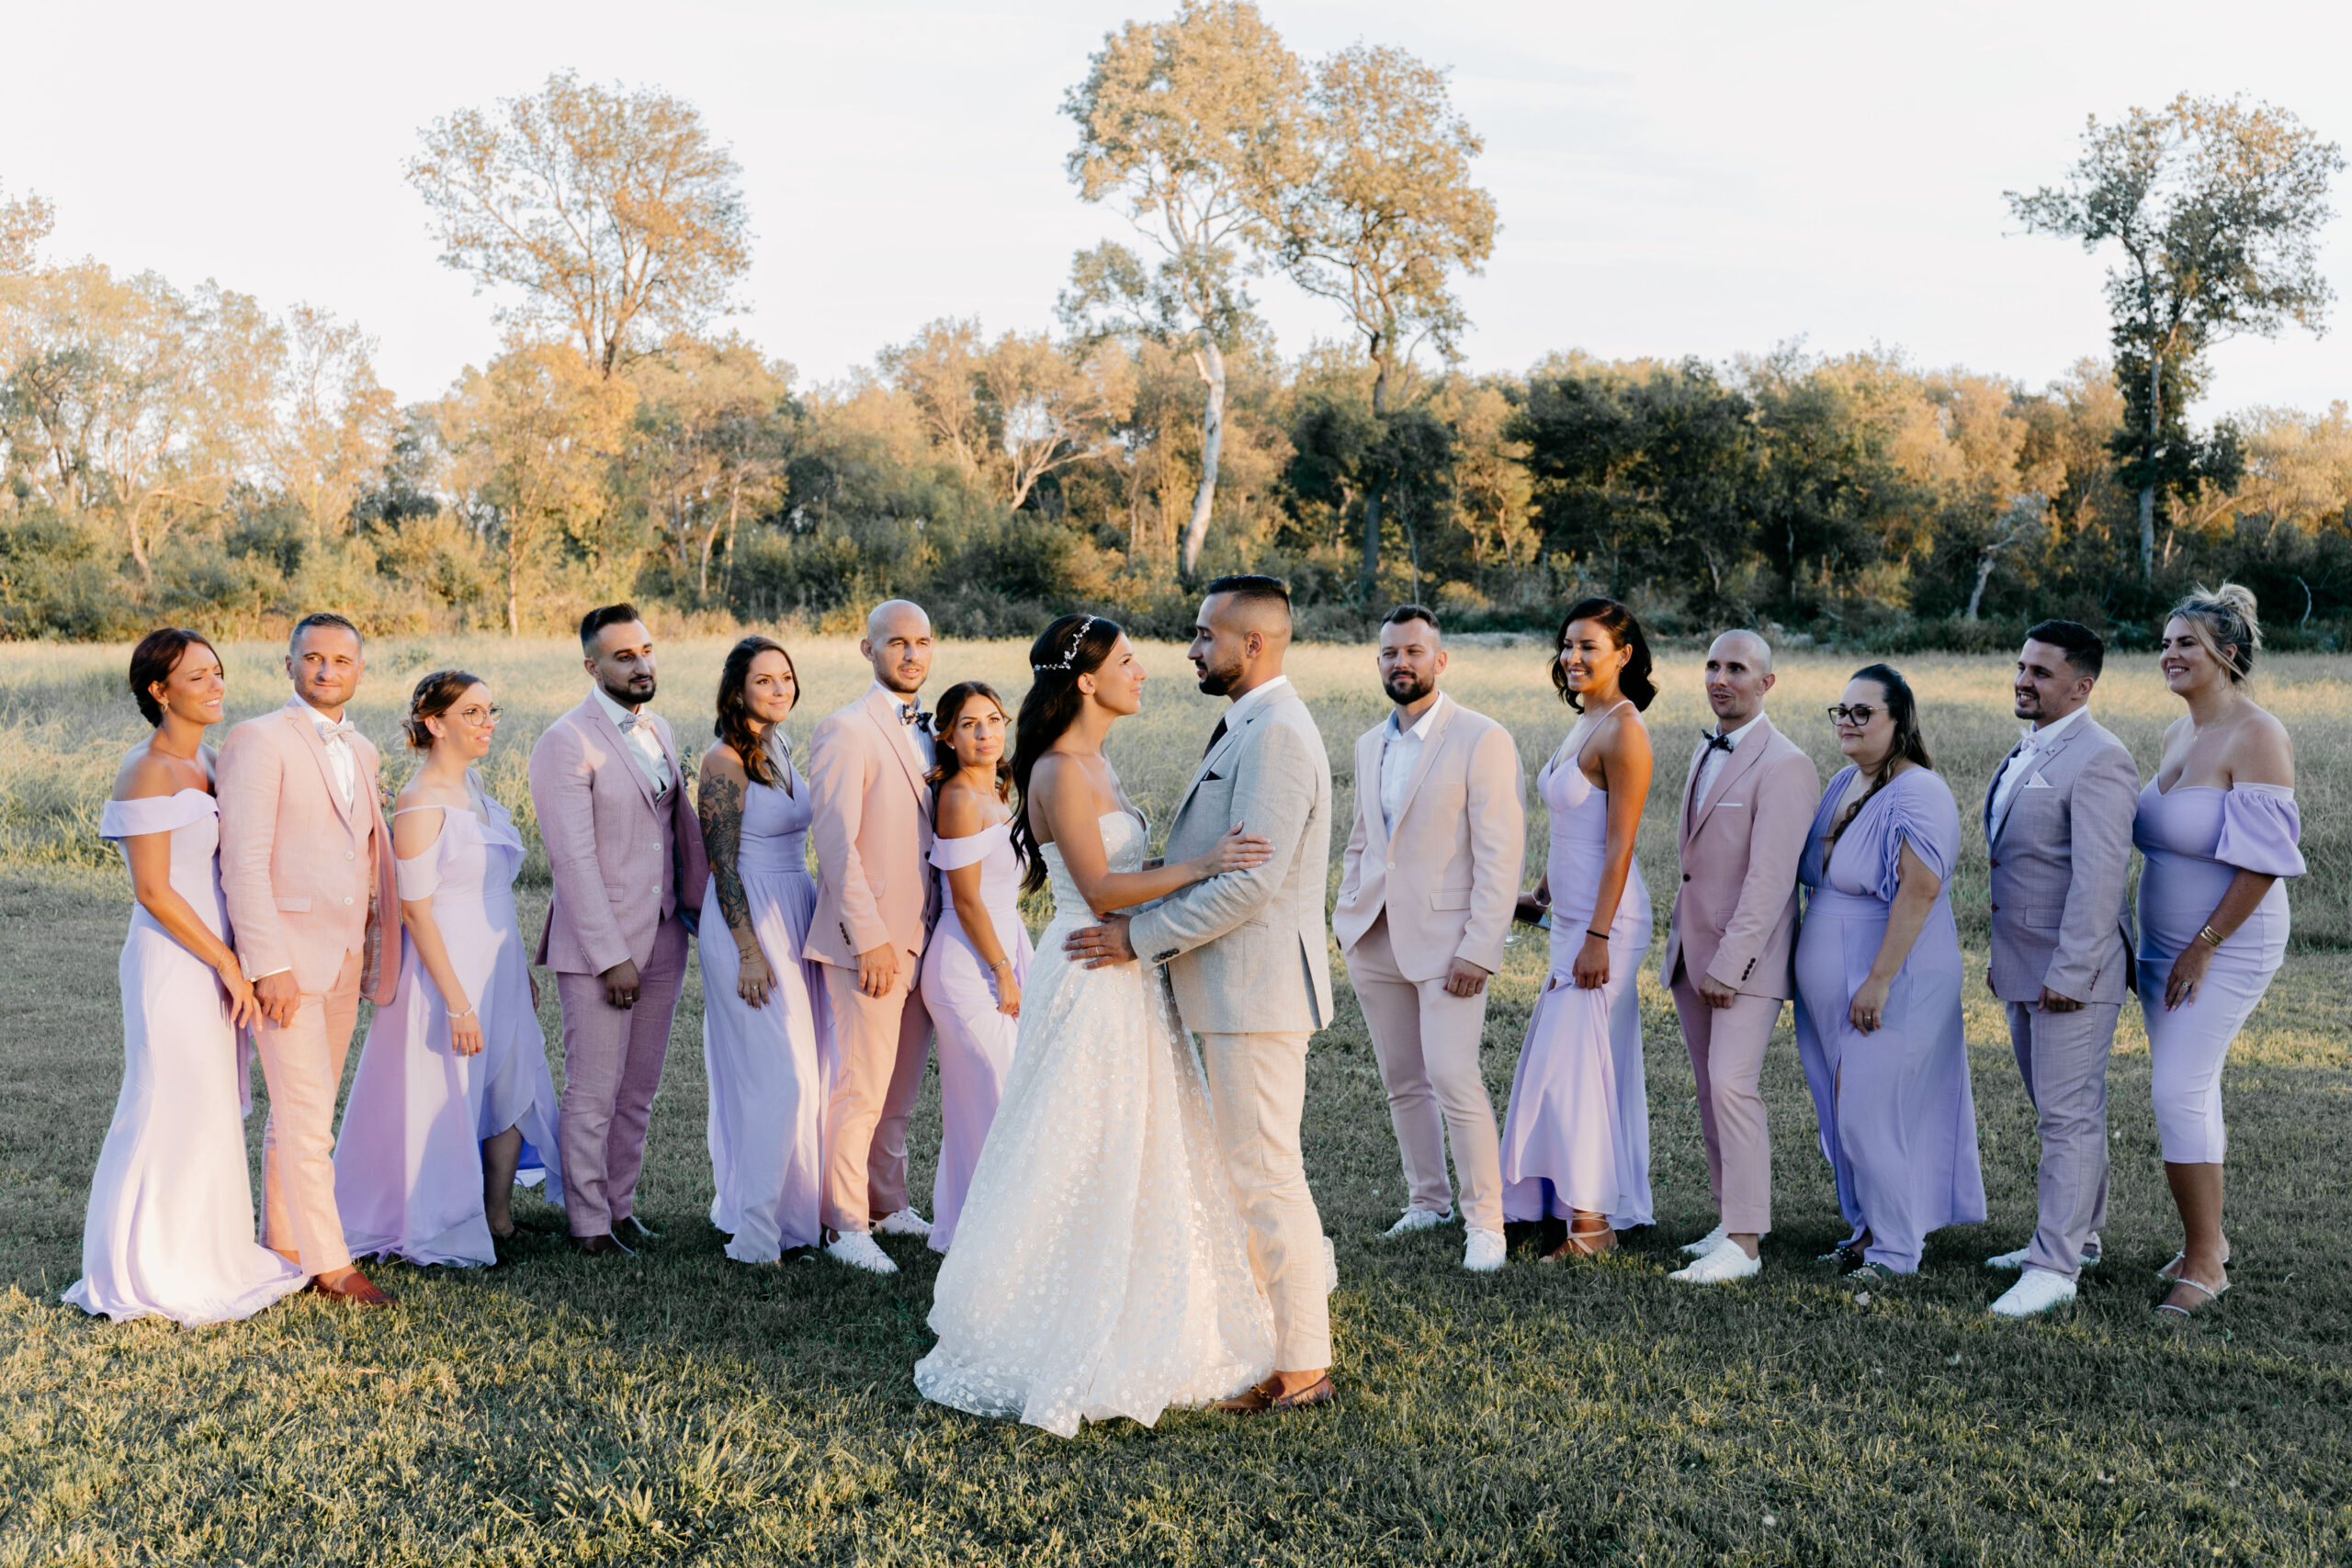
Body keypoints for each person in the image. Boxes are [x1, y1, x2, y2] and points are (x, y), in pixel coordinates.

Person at [918, 615, 1277, 1436]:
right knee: (1082, 1139)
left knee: (1145, 1138)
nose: (1143, 670)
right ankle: (1061, 1315)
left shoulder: (1097, 761)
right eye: (1126, 661)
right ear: (1086, 680)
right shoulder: (1060, 768)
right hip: (1089, 972)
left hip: (1128, 972)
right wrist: (1205, 866)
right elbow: (1103, 887)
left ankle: (1159, 1299)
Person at [1065, 579, 1341, 1415]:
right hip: (1230, 992)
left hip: (1254, 993)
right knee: (1250, 1173)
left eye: (1201, 635)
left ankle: (1303, 1368)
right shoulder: (1252, 722)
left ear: (1251, 643)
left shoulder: (1280, 736)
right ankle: (1273, 1343)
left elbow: (1250, 884)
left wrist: (1135, 937)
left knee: (1265, 1177)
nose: (1188, 651)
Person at [65, 629, 308, 1325]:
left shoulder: (208, 758)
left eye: (217, 672)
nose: (215, 685)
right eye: (197, 676)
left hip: (218, 955)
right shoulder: (145, 769)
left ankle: (212, 1253)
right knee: (167, 1095)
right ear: (159, 690)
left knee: (210, 1103)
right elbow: (153, 890)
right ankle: (146, 1264)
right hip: (175, 959)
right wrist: (228, 962)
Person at [334, 671, 565, 1267]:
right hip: (445, 973)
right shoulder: (418, 803)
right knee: (449, 1089)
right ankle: (440, 1219)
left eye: (491, 710)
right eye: (473, 713)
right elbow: (415, 909)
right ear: (435, 723)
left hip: (498, 961)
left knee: (513, 1078)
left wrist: (518, 972)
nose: (488, 723)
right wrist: (458, 1002)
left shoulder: (477, 788)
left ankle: (498, 1214)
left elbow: (495, 891)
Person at [1332, 604, 1525, 1273]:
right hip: (1374, 934)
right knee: (1402, 1079)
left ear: (1439, 661)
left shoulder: (1481, 737)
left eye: (1413, 651)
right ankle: (1428, 1201)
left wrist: (1480, 945)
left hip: (1450, 943)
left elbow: (1501, 854)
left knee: (1453, 1076)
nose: (1400, 663)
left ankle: (1486, 1222)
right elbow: (1364, 838)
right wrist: (1345, 912)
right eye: (1389, 653)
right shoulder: (1368, 743)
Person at [217, 611, 401, 1306]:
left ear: (359, 670)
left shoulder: (363, 750)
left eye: (341, 660)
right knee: (305, 1114)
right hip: (287, 959)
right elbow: (244, 860)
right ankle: (331, 1263)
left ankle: (285, 1243)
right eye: (313, 658)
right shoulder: (258, 740)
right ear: (289, 663)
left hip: (344, 957)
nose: (327, 670)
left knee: (306, 1106)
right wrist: (268, 962)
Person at [2135, 585, 2301, 1320]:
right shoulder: (2178, 734)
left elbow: (2263, 862)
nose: (2170, 655)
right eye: (2167, 642)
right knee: (2191, 1086)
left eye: (2187, 644)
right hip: (2163, 946)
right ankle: (2210, 1242)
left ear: (2228, 655)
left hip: (2225, 942)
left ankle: (2205, 1260)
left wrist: (2203, 946)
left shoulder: (2257, 733)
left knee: (2176, 1088)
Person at [1792, 664, 1985, 1283]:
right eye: (1840, 711)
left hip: (1890, 974)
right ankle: (1865, 1229)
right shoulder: (1846, 781)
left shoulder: (1918, 790)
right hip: (1832, 979)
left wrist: (1876, 979)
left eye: (1863, 712)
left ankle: (1897, 1252)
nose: (1847, 722)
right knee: (1840, 1109)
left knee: (1868, 1113)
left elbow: (1919, 889)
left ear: (1898, 722)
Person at [529, 604, 708, 1258]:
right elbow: (572, 861)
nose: (641, 664)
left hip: (664, 934)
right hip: (600, 946)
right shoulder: (565, 741)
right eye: (623, 656)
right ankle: (588, 1224)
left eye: (646, 650)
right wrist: (611, 957)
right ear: (592, 665)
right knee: (594, 1090)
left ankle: (621, 1205)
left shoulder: (655, 726)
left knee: (639, 1088)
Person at [1978, 622, 2139, 1319]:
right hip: (2023, 964)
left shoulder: (2101, 758)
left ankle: (2055, 1266)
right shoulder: (2031, 748)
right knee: (2060, 1113)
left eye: (2042, 672)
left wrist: (2072, 974)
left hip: (2073, 975)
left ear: (2083, 685)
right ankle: (2082, 1237)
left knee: (2067, 1119)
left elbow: (2100, 881)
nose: (2024, 680)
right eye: (2022, 666)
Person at [1498, 598, 1658, 1258]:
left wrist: (1595, 936)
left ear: (1623, 654)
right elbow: (1575, 830)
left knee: (1578, 1068)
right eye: (1567, 645)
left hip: (1608, 923)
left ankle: (1592, 1227)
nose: (1572, 657)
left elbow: (1618, 847)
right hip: (1570, 914)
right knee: (1572, 1063)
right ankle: (1566, 1203)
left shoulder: (1625, 731)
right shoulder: (1585, 720)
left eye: (1588, 646)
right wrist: (1539, 892)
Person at [1660, 630, 1820, 1286]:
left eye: (1737, 668)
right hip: (1690, 952)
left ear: (1767, 682)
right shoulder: (1706, 749)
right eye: (1712, 665)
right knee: (1708, 1089)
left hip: (1744, 961)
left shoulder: (1786, 764)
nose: (1720, 678)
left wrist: (1731, 962)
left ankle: (1747, 1244)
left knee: (1733, 1085)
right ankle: (1728, 1218)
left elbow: (1770, 879)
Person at [808, 600, 942, 1273]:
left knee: (900, 1090)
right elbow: (836, 845)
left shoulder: (935, 729)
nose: (912, 655)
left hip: (928, 937)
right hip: (870, 943)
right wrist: (870, 939)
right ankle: (844, 1223)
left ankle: (890, 1204)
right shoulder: (846, 730)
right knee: (860, 1086)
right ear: (868, 649)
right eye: (897, 643)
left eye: (921, 642)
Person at [695, 636, 831, 1265]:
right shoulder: (723, 761)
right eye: (764, 681)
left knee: (808, 1070)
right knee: (779, 1077)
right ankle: (754, 1235)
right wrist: (749, 950)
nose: (780, 690)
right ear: (737, 691)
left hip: (793, 908)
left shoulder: (778, 750)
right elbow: (722, 866)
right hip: (747, 919)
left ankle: (791, 1220)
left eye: (786, 678)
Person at [919, 680, 1033, 1255]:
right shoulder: (960, 797)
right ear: (947, 736)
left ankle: (975, 1230)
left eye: (993, 719)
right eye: (970, 723)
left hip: (1003, 953)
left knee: (996, 1099)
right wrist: (1002, 970)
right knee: (994, 1096)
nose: (986, 732)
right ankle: (984, 1236)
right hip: (968, 968)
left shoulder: (1000, 794)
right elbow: (965, 899)